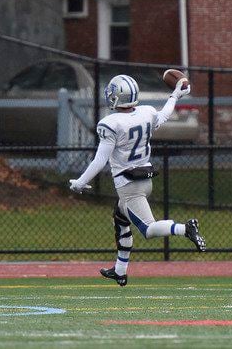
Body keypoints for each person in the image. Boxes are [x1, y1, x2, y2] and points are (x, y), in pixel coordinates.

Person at [69, 73, 206, 287]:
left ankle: (185, 228)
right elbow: (164, 115)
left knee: (149, 230)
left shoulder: (110, 123)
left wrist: (79, 182)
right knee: (120, 220)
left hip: (129, 186)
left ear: (117, 97)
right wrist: (175, 95)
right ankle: (120, 271)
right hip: (144, 178)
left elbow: (99, 160)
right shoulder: (146, 112)